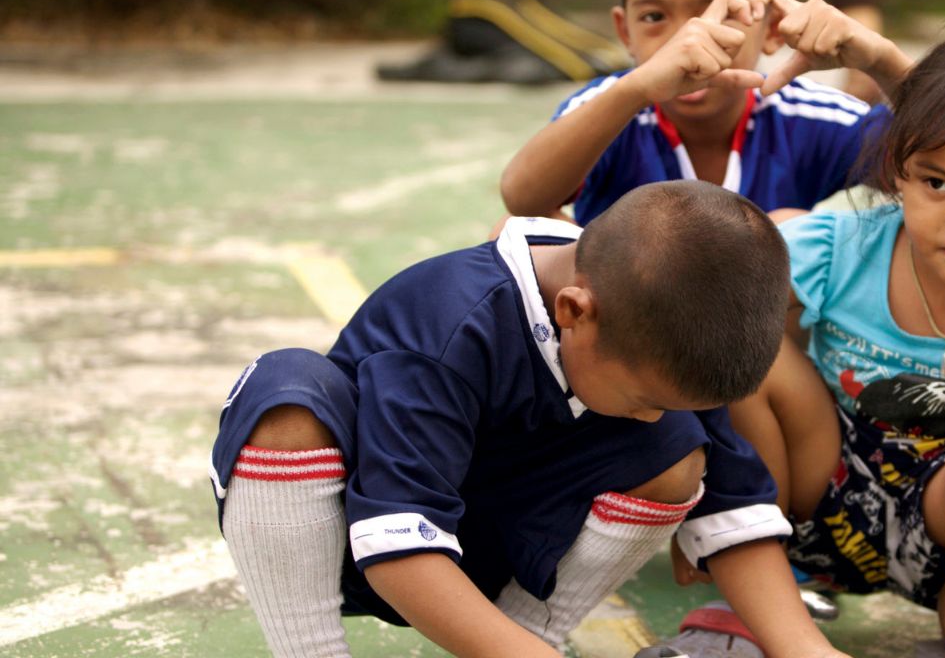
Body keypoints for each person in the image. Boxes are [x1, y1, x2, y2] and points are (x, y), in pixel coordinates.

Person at [208, 181, 851, 658]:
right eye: (643, 397)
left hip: (504, 551)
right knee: (285, 395)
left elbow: (737, 514)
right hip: (361, 541)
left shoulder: (661, 327)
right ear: (574, 311)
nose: (652, 413)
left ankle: (529, 634)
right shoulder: (451, 322)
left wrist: (808, 651)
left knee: (678, 448)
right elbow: (398, 547)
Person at [663, 32, 945, 658]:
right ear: (899, 165)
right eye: (937, 182)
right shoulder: (841, 247)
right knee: (744, 347)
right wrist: (694, 502)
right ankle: (761, 585)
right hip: (812, 496)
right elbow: (694, 327)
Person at [498, 0, 910, 228]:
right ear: (625, 33)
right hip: (629, 315)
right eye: (654, 17)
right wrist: (636, 90)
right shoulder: (610, 107)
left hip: (762, 321)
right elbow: (523, 199)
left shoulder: (809, 116)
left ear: (772, 29)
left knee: (795, 228)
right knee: (514, 234)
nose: (687, 41)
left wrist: (883, 61)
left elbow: (937, 167)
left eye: (721, 12)